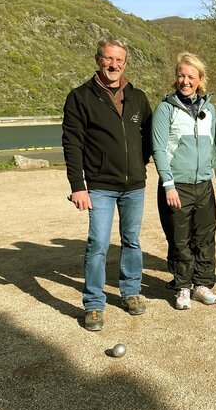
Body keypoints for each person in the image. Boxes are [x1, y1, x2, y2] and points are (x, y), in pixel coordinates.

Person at [62, 37, 152, 331]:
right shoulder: (80, 97)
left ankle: (130, 292)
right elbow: (72, 144)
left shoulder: (138, 97)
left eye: (120, 60)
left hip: (134, 185)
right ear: (98, 59)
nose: (114, 65)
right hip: (99, 185)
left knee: (132, 241)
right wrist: (78, 185)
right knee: (98, 243)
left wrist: (140, 164)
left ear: (125, 63)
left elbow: (149, 138)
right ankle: (94, 304)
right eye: (108, 59)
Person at [151, 52, 216, 310]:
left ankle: (202, 284)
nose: (185, 81)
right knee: (180, 239)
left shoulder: (209, 110)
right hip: (177, 187)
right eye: (181, 75)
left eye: (191, 76)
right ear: (176, 78)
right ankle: (183, 287)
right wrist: (168, 184)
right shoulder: (165, 109)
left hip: (204, 185)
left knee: (205, 237)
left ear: (200, 80)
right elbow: (159, 149)